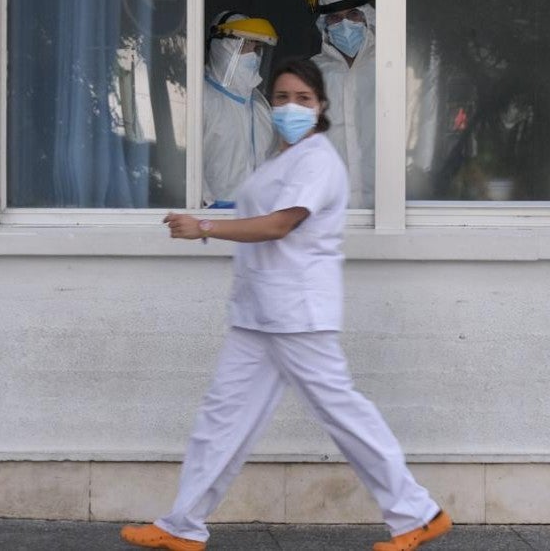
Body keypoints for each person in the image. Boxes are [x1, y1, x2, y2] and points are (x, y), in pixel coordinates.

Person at [121, 58, 451, 551]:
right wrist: (211, 216)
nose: (291, 107)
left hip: (297, 314)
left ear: (321, 107)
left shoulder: (318, 160)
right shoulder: (280, 161)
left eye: (303, 98)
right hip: (257, 313)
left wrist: (204, 229)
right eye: (281, 98)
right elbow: (255, 212)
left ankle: (419, 513)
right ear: (269, 106)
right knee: (222, 417)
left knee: (342, 413)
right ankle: (182, 525)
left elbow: (280, 224)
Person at [301, 0, 376, 208]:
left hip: (385, 209)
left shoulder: (389, 65)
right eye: (335, 17)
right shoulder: (310, 73)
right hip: (329, 210)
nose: (345, 24)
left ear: (366, 16)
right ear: (324, 25)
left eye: (352, 14)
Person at [202, 11, 278, 208]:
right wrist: (207, 207)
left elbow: (272, 161)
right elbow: (185, 166)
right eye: (244, 44)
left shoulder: (260, 104)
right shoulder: (199, 97)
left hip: (255, 219)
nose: (253, 53)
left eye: (257, 46)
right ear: (221, 46)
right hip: (211, 221)